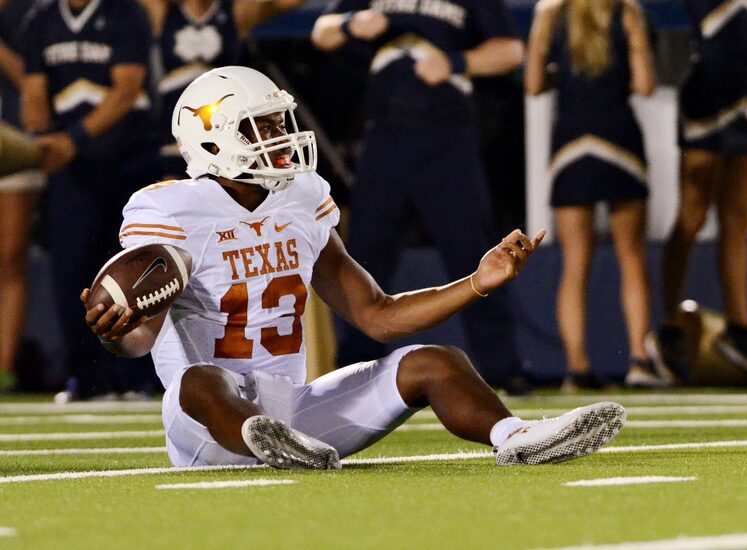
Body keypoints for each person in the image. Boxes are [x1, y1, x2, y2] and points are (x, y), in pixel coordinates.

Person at [81, 66, 626, 469]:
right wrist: (114, 333)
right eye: (261, 126)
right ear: (213, 137)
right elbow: (138, 340)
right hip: (206, 426)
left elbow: (378, 316)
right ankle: (259, 439)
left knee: (435, 361)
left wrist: (476, 284)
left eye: (278, 122)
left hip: (293, 419)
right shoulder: (170, 208)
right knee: (200, 378)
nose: (279, 137)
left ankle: (518, 436)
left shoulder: (302, 196)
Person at [310, 0, 531, 394]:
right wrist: (349, 22)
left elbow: (512, 51)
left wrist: (458, 62)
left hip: (448, 136)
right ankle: (356, 369)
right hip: (385, 134)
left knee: (471, 252)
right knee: (364, 254)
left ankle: (503, 368)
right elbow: (321, 32)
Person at [22, 0, 157, 401]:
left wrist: (72, 139)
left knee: (135, 271)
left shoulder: (125, 12)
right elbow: (33, 93)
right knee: (73, 272)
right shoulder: (41, 19)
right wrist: (38, 140)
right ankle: (86, 378)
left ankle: (138, 377)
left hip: (129, 158)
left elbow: (128, 88)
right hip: (73, 168)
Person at [525, 0, 663, 390]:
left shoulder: (550, 14)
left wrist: (561, 74)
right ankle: (638, 359)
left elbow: (533, 85)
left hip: (570, 144)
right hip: (620, 140)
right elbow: (645, 85)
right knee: (632, 257)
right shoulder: (627, 11)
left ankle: (577, 367)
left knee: (574, 264)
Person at [650, 0, 747, 383]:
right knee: (693, 215)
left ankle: (739, 327)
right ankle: (669, 325)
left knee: (738, 216)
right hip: (707, 95)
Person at [138, 0, 305, 179]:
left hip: (225, 113)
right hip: (179, 112)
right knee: (175, 182)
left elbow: (290, 2)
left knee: (228, 181)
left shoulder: (235, 11)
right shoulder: (164, 11)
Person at [0, 0, 46, 392]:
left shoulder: (29, 14)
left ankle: (4, 367)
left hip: (13, 139)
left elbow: (31, 83)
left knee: (10, 256)